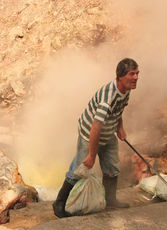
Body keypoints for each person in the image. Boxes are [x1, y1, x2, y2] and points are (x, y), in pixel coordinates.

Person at [53, 58, 139, 218]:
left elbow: (119, 110)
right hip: (90, 134)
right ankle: (59, 202)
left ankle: (110, 199)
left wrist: (120, 127)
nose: (136, 77)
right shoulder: (108, 96)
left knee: (112, 167)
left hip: (108, 132)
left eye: (137, 73)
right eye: (131, 74)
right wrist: (91, 155)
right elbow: (95, 127)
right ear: (120, 76)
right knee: (80, 166)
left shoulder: (126, 90)